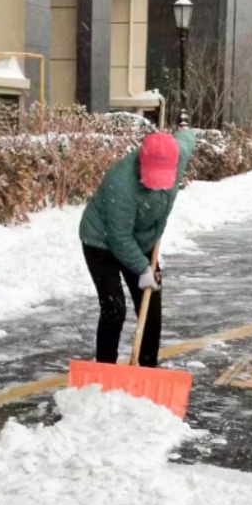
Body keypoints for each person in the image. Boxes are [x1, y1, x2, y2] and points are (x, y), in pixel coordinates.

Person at [79, 127, 197, 368]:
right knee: (114, 308)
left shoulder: (178, 155)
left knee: (150, 304)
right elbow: (119, 237)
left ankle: (147, 368)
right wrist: (143, 270)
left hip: (142, 240)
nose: (157, 186)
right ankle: (104, 370)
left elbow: (187, 138)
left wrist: (185, 131)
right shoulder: (121, 183)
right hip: (101, 241)